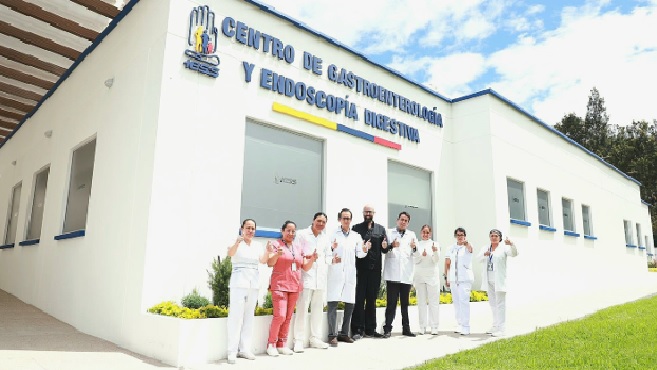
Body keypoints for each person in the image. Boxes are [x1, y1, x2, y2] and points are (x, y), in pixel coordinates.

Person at [266, 221, 317, 356]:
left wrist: (312, 258)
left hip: (294, 286)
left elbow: (304, 266)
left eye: (293, 231)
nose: (291, 233)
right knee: (280, 316)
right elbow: (270, 263)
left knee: (288, 317)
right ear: (282, 231)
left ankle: (282, 344)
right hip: (279, 285)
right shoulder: (276, 244)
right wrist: (276, 254)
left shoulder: (298, 246)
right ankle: (271, 344)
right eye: (288, 230)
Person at [226, 219, 272, 364]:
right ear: (242, 229)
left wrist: (268, 251)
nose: (250, 231)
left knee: (249, 317)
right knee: (236, 316)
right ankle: (231, 351)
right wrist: (237, 242)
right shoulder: (237, 243)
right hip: (239, 284)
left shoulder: (257, 245)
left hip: (253, 284)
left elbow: (263, 261)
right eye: (248, 228)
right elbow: (230, 253)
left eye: (253, 228)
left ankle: (244, 349)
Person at [326, 208, 367, 346]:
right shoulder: (332, 234)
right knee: (333, 302)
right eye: (344, 218)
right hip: (335, 272)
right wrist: (331, 249)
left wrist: (365, 249)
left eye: (348, 218)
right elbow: (326, 251)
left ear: (351, 220)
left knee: (350, 303)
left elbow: (360, 254)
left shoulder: (356, 236)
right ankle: (332, 335)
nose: (346, 220)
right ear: (339, 219)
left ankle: (344, 333)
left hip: (349, 273)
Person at [293, 212, 331, 352]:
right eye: (318, 221)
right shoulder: (302, 234)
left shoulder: (325, 238)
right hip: (306, 276)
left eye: (323, 222)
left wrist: (329, 260)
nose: (321, 224)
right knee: (302, 308)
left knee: (317, 309)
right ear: (313, 220)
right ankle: (299, 340)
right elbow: (297, 253)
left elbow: (329, 255)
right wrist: (308, 259)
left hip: (320, 277)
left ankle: (315, 338)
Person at [351, 205, 388, 339]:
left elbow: (385, 248)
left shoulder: (381, 229)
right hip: (360, 269)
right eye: (366, 212)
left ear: (374, 213)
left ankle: (370, 330)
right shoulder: (355, 229)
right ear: (363, 213)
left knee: (372, 299)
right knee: (359, 299)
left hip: (375, 270)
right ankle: (357, 330)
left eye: (370, 212)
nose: (368, 214)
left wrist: (385, 247)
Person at [477, 229, 519, 337]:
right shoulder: (485, 247)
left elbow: (514, 254)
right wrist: (484, 255)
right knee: (493, 304)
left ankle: (502, 329)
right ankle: (495, 326)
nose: (493, 237)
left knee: (500, 304)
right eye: (491, 235)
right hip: (489, 280)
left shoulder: (504, 248)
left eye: (496, 236)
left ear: (500, 238)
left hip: (499, 280)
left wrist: (512, 245)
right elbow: (478, 259)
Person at [382, 212, 417, 338]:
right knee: (391, 304)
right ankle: (387, 329)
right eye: (401, 219)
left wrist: (414, 248)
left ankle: (406, 329)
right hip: (392, 274)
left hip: (406, 275)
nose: (403, 222)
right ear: (397, 220)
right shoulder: (389, 232)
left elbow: (415, 254)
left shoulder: (411, 235)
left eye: (406, 220)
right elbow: (384, 249)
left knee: (405, 304)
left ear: (408, 223)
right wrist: (392, 245)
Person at [444, 227, 473, 335]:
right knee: (456, 302)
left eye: (462, 235)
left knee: (464, 302)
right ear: (455, 236)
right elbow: (447, 263)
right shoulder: (450, 248)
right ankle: (459, 324)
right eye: (458, 235)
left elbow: (470, 249)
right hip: (453, 279)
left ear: (465, 236)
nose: (460, 237)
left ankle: (466, 326)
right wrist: (447, 277)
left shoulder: (467, 246)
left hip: (464, 279)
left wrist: (467, 243)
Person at [413, 225, 441, 335]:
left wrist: (434, 252)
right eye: (423, 232)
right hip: (420, 275)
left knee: (433, 302)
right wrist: (421, 255)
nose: (425, 234)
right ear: (421, 233)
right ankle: (422, 326)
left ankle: (434, 326)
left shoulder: (435, 244)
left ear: (430, 233)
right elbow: (415, 260)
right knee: (421, 302)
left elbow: (436, 260)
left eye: (427, 232)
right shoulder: (417, 244)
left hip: (432, 275)